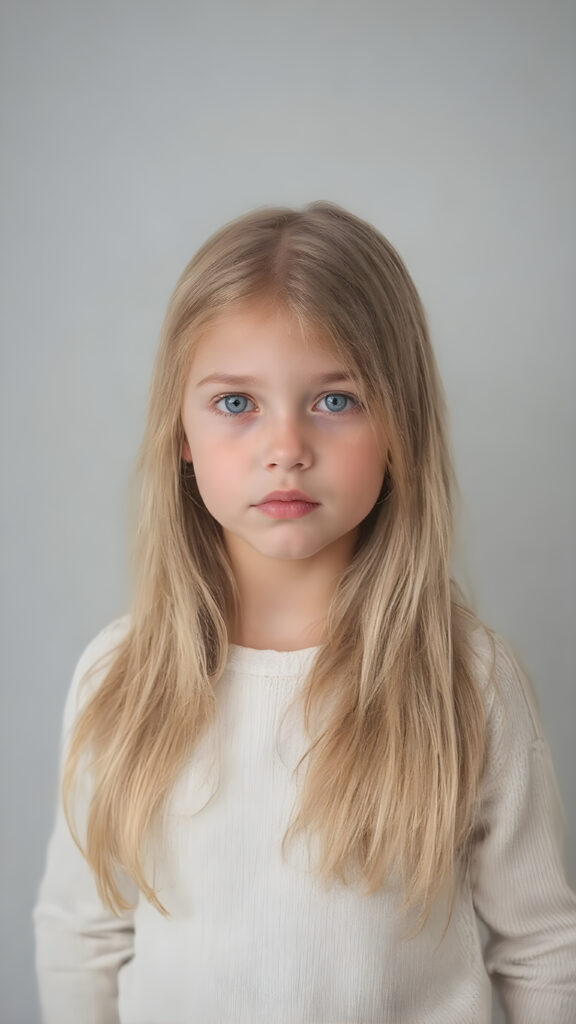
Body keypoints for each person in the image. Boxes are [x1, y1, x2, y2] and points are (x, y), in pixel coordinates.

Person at [33, 201, 576, 1024]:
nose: (285, 446)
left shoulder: (468, 681)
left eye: (335, 401)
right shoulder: (121, 678)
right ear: (181, 431)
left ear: (401, 424)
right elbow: (83, 936)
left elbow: (541, 951)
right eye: (236, 404)